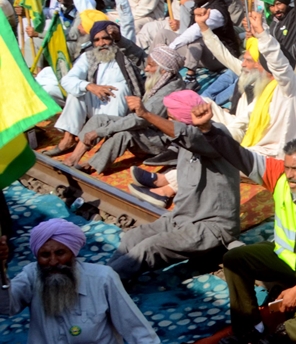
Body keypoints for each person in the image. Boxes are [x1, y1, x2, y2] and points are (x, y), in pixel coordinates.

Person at [197, 103, 296, 344]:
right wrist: (209, 130)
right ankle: (249, 328)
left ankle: (285, 334)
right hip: (284, 258)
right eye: (287, 167)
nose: (289, 175)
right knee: (235, 259)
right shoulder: (279, 176)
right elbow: (240, 155)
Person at [0, 219, 163, 344]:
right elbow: (5, 308)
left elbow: (141, 334)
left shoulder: (103, 278)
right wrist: (0, 269)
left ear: (73, 253)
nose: (53, 262)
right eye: (45, 255)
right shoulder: (32, 275)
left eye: (60, 253)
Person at [108, 92, 241, 279]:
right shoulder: (187, 143)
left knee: (149, 248)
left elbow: (189, 135)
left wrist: (146, 114)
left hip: (211, 227)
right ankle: (106, 276)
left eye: (171, 118)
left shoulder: (216, 136)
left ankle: (105, 283)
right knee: (132, 238)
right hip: (182, 217)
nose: (167, 122)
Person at [197, 10, 296, 159]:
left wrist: (262, 33)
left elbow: (279, 64)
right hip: (249, 135)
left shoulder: (289, 87)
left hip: (273, 154)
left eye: (249, 60)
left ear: (262, 66)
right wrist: (204, 27)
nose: (243, 64)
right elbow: (223, 55)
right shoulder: (262, 84)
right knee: (200, 103)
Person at [62, 46, 183, 174]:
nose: (146, 69)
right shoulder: (166, 77)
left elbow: (140, 120)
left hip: (158, 141)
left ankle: (90, 165)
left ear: (163, 70)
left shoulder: (169, 92)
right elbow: (137, 53)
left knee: (123, 134)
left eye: (150, 66)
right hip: (145, 130)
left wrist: (100, 132)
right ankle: (74, 158)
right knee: (99, 119)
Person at [45, 21, 143, 156]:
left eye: (105, 38)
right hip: (95, 105)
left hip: (121, 111)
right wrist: (90, 86)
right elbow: (67, 80)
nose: (101, 43)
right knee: (76, 92)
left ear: (113, 39)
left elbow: (138, 53)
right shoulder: (88, 56)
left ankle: (109, 140)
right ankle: (68, 139)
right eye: (97, 40)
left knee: (119, 88)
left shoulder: (126, 54)